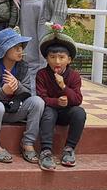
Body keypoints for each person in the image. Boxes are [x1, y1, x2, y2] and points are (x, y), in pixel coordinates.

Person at [0, 28, 44, 164]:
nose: (20, 50)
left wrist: (17, 85)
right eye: (15, 47)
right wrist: (4, 91)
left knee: (37, 101)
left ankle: (28, 143)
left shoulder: (23, 66)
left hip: (17, 109)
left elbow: (29, 93)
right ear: (4, 50)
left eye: (21, 47)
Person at [36, 24, 85, 171]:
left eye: (61, 57)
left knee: (80, 112)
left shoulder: (74, 76)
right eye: (52, 57)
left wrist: (64, 87)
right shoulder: (42, 74)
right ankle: (45, 151)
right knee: (49, 112)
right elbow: (42, 97)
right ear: (46, 59)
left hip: (66, 112)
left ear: (69, 60)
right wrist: (56, 101)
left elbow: (77, 99)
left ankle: (69, 149)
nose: (57, 62)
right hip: (50, 111)